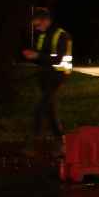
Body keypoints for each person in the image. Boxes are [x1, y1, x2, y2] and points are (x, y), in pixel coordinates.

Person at [21, 8, 72, 157]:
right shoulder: (43, 35)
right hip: (44, 78)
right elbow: (43, 58)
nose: (37, 28)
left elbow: (57, 59)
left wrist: (38, 55)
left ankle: (31, 146)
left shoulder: (61, 36)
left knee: (39, 111)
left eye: (37, 25)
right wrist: (33, 56)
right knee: (50, 113)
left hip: (56, 78)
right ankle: (61, 146)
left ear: (45, 20)